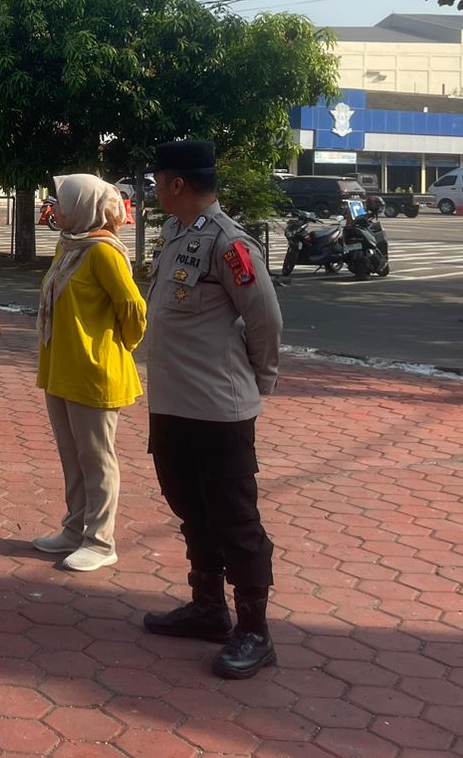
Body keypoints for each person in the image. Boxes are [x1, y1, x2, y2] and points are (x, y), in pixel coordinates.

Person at [139, 139, 282, 679]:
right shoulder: (177, 234)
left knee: (235, 519)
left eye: (158, 181)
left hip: (219, 409)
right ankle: (208, 608)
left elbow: (265, 317)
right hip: (174, 405)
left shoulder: (229, 243)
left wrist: (260, 379)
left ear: (177, 183)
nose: (154, 190)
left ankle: (255, 630)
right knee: (190, 507)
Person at [34, 173, 147, 572]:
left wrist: (116, 347)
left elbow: (133, 309)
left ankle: (100, 541)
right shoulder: (69, 246)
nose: (56, 209)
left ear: (83, 208)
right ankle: (74, 528)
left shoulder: (102, 252)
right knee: (73, 457)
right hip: (61, 368)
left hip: (94, 372)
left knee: (97, 459)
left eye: (63, 202)